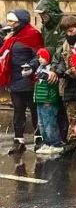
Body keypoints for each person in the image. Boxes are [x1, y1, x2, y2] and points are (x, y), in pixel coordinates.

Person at [2, 9, 43, 154]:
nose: (9, 24)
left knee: (34, 109)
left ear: (21, 21)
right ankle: (18, 140)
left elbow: (39, 55)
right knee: (18, 110)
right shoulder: (12, 35)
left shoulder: (33, 34)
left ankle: (39, 138)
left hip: (29, 78)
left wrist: (31, 66)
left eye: (12, 21)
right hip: (14, 79)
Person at [52, 16, 76, 153]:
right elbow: (58, 61)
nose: (69, 34)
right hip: (69, 86)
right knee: (72, 117)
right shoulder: (64, 45)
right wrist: (58, 71)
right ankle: (73, 142)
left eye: (71, 30)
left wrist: (69, 71)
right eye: (67, 32)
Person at [32, 49, 63, 155]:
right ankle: (46, 142)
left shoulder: (51, 71)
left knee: (50, 123)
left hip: (48, 100)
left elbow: (53, 86)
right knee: (41, 124)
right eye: (39, 57)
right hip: (40, 100)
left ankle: (55, 143)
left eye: (42, 57)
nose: (40, 59)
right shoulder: (40, 69)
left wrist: (50, 100)